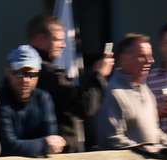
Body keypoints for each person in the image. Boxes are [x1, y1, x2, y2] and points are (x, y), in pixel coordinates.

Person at [27, 14, 114, 152]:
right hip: (56, 152)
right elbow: (85, 107)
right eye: (58, 40)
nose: (63, 45)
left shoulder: (24, 70)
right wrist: (99, 75)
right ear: (40, 39)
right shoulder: (46, 73)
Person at [94, 34, 167, 149]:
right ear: (123, 58)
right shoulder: (113, 93)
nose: (150, 61)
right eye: (142, 56)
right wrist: (146, 151)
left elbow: (154, 129)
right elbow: (111, 139)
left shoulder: (146, 89)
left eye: (150, 56)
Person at [0, 45, 66, 157]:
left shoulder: (43, 98)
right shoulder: (0, 100)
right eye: (19, 73)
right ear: (9, 73)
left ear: (38, 74)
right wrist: (43, 144)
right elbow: (8, 146)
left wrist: (44, 145)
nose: (25, 80)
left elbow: (53, 142)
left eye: (31, 74)